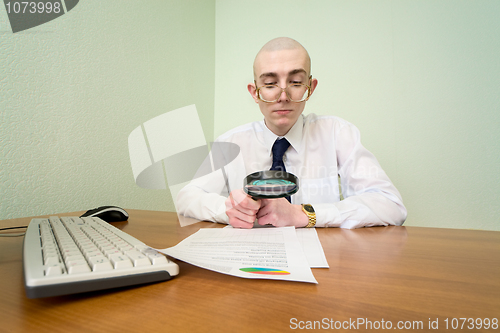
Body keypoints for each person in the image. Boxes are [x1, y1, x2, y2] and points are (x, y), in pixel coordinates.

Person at [176, 37, 407, 229]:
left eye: (295, 82)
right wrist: (228, 210)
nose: (283, 96)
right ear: (255, 93)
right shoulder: (231, 142)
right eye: (270, 84)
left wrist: (304, 214)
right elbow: (186, 198)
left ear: (310, 87)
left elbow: (391, 205)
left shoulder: (337, 133)